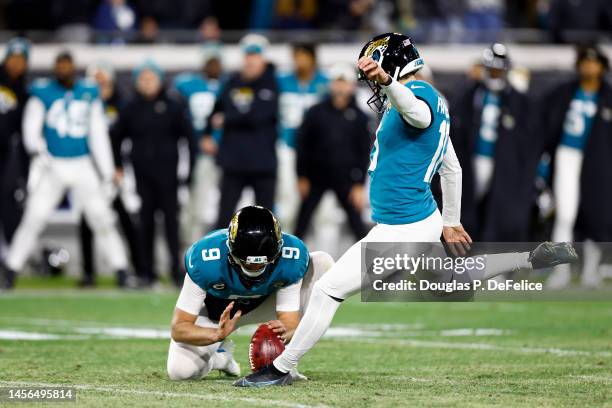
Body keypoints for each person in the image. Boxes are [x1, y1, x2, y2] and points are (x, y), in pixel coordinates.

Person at [234, 34, 580, 387]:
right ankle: (530, 258)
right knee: (451, 282)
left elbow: (417, 113)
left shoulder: (421, 98)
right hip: (419, 220)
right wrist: (450, 221)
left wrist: (388, 82)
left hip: (404, 227)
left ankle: (280, 369)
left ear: (394, 68)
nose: (373, 84)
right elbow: (452, 168)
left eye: (377, 76)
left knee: (327, 290)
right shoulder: (435, 100)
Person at [0, 51, 129, 289]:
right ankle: (12, 269)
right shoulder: (43, 93)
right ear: (55, 68)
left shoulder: (89, 93)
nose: (63, 70)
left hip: (82, 163)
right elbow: (31, 131)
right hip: (54, 164)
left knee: (101, 217)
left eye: (67, 65)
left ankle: (121, 268)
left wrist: (107, 171)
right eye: (60, 65)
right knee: (34, 217)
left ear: (73, 67)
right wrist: (40, 153)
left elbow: (98, 136)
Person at [167, 205, 334, 380]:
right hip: (218, 316)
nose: (255, 268)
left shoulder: (291, 256)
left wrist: (289, 331)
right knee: (180, 372)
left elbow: (288, 320)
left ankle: (286, 363)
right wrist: (216, 335)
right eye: (248, 263)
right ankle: (221, 358)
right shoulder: (206, 258)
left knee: (322, 262)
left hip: (264, 305)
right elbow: (179, 328)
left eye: (262, 263)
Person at [112, 59, 193, 287]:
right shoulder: (130, 107)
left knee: (172, 226)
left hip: (169, 176)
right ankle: (146, 272)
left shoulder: (173, 105)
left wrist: (188, 172)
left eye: (151, 78)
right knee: (144, 223)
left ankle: (176, 271)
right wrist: (118, 166)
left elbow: (188, 139)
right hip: (141, 176)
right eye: (143, 79)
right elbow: (116, 137)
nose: (147, 83)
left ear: (159, 80)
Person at [537, 46, 612, 288]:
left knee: (595, 216)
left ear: (602, 66)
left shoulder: (608, 96)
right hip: (567, 155)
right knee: (565, 215)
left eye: (594, 62)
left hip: (598, 162)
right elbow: (547, 125)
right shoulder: (563, 93)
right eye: (584, 62)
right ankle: (561, 271)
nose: (588, 67)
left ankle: (591, 270)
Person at [450, 44, 533, 242]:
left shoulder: (519, 103)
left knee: (497, 213)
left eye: (499, 70)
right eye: (492, 70)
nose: (495, 75)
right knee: (465, 210)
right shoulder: (468, 97)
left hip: (501, 166)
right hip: (471, 163)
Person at [203, 34, 280, 230]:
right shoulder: (231, 82)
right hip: (233, 162)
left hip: (262, 163)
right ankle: (221, 257)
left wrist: (227, 119)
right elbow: (215, 111)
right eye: (248, 55)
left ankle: (269, 257)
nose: (251, 60)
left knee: (266, 219)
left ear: (263, 58)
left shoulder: (271, 83)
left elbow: (258, 115)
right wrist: (206, 134)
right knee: (223, 215)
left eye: (255, 55)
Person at [78, 61, 142, 287]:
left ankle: (138, 268)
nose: (100, 85)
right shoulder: (81, 104)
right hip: (88, 172)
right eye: (96, 81)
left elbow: (128, 138)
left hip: (115, 173)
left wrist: (120, 167)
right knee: (87, 221)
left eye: (103, 80)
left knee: (126, 219)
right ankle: (88, 273)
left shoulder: (122, 105)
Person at [294, 63, 370, 241]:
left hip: (345, 178)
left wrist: (359, 184)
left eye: (345, 82)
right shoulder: (315, 112)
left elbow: (363, 152)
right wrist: (301, 176)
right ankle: (290, 259)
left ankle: (372, 264)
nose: (341, 86)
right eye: (337, 82)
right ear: (331, 84)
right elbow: (302, 146)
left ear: (352, 86)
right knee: (302, 222)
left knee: (357, 224)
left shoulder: (359, 116)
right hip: (315, 176)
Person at [276, 43, 329, 230]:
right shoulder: (281, 81)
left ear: (313, 59)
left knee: (322, 206)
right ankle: (286, 247)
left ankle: (323, 252)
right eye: (296, 56)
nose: (300, 61)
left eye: (304, 56)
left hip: (317, 152)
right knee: (287, 200)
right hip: (287, 146)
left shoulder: (325, 83)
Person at [173, 45, 223, 241]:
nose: (213, 66)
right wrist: (198, 140)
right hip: (199, 153)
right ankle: (191, 245)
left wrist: (217, 140)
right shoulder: (188, 85)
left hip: (226, 154)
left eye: (216, 62)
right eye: (209, 62)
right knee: (196, 203)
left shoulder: (229, 86)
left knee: (228, 205)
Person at [0, 38, 30, 248]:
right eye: (13, 58)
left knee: (9, 201)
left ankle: (10, 254)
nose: (16, 63)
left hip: (6, 155)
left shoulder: (25, 93)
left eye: (21, 60)